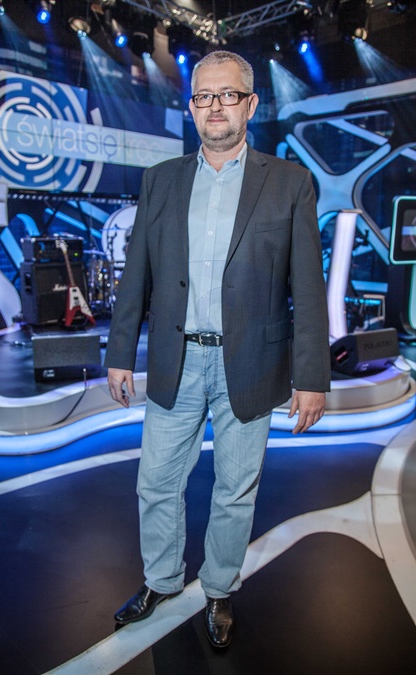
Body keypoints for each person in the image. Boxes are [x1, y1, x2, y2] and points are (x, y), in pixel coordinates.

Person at [105, 50, 331, 648]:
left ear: (250, 104)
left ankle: (219, 589)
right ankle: (160, 580)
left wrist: (312, 376)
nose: (214, 106)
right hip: (175, 360)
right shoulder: (160, 179)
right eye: (203, 96)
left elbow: (308, 288)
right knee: (156, 483)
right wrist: (120, 352)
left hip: (252, 363)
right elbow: (137, 275)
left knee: (235, 490)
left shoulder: (289, 183)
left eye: (227, 95)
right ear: (192, 106)